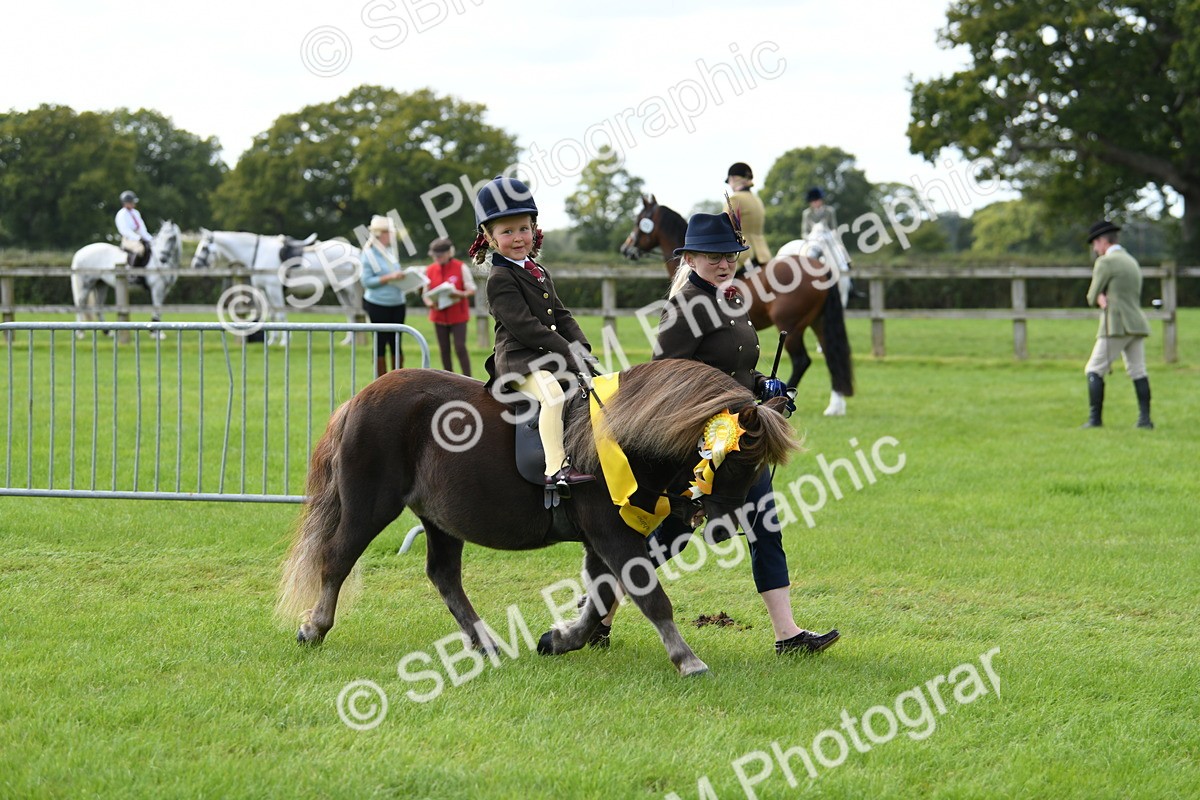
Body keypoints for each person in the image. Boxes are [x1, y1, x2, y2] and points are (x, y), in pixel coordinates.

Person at [597, 211, 840, 656]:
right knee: (673, 537)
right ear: (689, 257)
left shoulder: (731, 297)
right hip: (700, 444)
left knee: (764, 524)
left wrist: (761, 387)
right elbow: (665, 377)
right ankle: (598, 614)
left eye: (730, 255)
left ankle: (787, 634)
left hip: (741, 437)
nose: (725, 263)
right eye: (713, 256)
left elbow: (737, 366)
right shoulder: (685, 305)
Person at [471, 176, 596, 486]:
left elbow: (561, 315)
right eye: (507, 231)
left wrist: (581, 346)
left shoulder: (538, 271)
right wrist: (568, 353)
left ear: (534, 230)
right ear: (489, 238)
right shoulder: (499, 278)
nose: (518, 238)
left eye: (523, 229)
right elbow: (528, 329)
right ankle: (556, 467)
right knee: (553, 395)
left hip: (548, 355)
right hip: (519, 361)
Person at [1081, 220, 1153, 429]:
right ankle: (1145, 420)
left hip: (1116, 324)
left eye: (1095, 244)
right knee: (1138, 371)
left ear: (1102, 241)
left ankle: (1095, 420)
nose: (1095, 249)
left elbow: (1091, 295)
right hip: (1137, 323)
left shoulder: (1106, 262)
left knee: (1093, 369)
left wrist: (1100, 297)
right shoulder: (1131, 261)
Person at [359, 214, 409, 378]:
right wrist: (391, 277)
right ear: (380, 234)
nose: (392, 236)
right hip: (378, 303)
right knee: (380, 342)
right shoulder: (368, 254)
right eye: (389, 233)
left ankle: (397, 378)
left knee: (397, 342)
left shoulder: (390, 253)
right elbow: (367, 281)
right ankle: (381, 379)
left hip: (397, 302)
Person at [422, 237, 475, 376]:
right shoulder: (430, 269)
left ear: (449, 253)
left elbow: (471, 289)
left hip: (458, 314)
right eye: (435, 256)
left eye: (440, 255)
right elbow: (425, 294)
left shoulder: (460, 267)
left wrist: (459, 294)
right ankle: (449, 378)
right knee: (444, 349)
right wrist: (430, 303)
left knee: (460, 347)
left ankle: (468, 378)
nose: (437, 258)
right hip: (438, 315)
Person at [724, 162, 771, 269]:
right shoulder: (757, 200)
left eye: (729, 181)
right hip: (762, 254)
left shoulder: (734, 199)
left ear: (733, 179)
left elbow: (725, 228)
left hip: (743, 257)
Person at [115, 190, 153, 271]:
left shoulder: (136, 213)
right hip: (128, 239)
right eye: (132, 202)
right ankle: (133, 272)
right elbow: (124, 230)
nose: (134, 204)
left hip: (139, 238)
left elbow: (141, 228)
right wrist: (137, 238)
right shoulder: (121, 214)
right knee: (140, 249)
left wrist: (149, 238)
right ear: (126, 203)